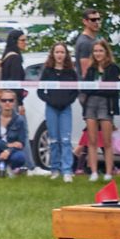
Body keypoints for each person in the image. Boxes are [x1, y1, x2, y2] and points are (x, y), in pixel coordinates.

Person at [36, 42, 78, 182]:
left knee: (65, 140)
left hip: (66, 109)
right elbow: (40, 91)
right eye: (57, 52)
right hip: (51, 109)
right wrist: (50, 100)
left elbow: (75, 91)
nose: (60, 55)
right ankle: (54, 169)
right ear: (53, 54)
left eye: (62, 52)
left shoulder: (71, 72)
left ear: (66, 55)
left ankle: (67, 170)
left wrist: (66, 101)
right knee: (53, 140)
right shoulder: (47, 71)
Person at [0, 29, 39, 172]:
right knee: (23, 133)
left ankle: (12, 166)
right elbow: (15, 84)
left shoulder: (7, 56)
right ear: (15, 42)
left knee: (9, 134)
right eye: (23, 40)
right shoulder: (15, 58)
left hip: (5, 101)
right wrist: (21, 104)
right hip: (14, 102)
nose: (25, 43)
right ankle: (30, 165)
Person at [82, 39, 120, 182]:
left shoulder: (113, 68)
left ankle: (109, 172)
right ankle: (93, 172)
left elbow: (112, 90)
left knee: (107, 141)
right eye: (95, 51)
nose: (98, 53)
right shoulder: (91, 69)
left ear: (106, 52)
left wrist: (98, 89)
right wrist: (97, 89)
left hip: (106, 104)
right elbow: (86, 88)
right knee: (91, 140)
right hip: (91, 104)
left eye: (100, 50)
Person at [74, 8, 102, 79]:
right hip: (88, 86)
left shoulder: (94, 40)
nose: (97, 22)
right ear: (85, 21)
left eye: (98, 19)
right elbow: (85, 73)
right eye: (93, 20)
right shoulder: (85, 42)